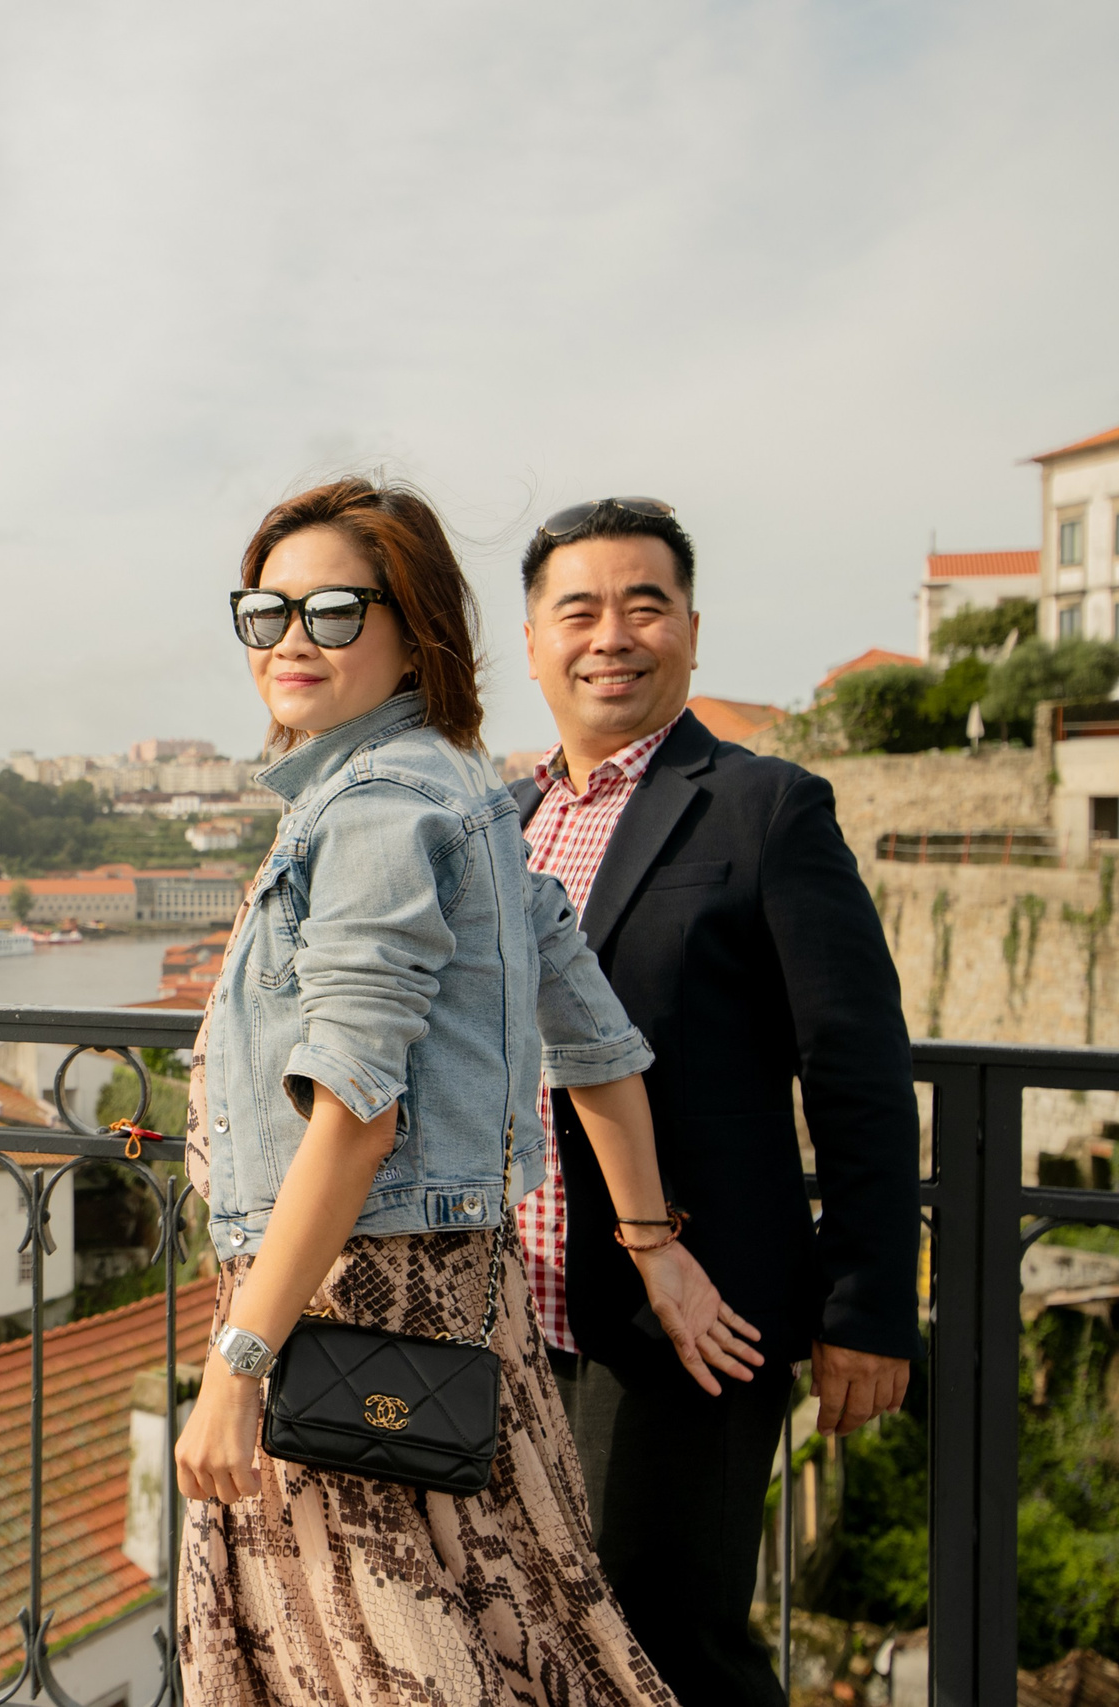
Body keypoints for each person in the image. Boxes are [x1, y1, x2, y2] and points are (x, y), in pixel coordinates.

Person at [174, 477, 762, 1706]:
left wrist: (236, 1364)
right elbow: (597, 1042)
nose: (290, 640)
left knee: (377, 1664)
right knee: (523, 1635)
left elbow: (355, 1115)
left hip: (339, 1305)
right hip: (456, 1302)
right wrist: (651, 1245)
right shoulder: (469, 790)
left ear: (415, 630)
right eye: (265, 612)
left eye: (335, 611)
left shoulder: (377, 809)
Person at [511, 497, 922, 1706]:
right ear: (532, 644)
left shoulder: (763, 807)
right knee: (530, 1640)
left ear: (690, 630)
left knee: (665, 1645)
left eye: (644, 606)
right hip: (507, 1316)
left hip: (687, 1319)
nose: (611, 636)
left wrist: (865, 1305)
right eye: (578, 610)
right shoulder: (503, 821)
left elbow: (855, 1069)